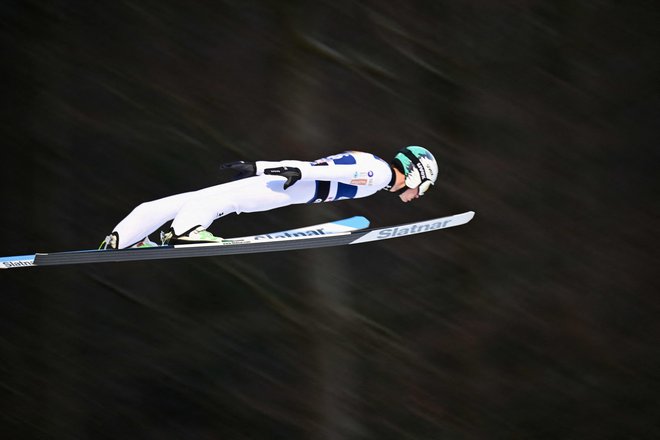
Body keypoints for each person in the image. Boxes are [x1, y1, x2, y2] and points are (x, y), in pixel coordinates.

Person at [100, 146, 439, 249]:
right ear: (414, 175)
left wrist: (263, 166)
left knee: (191, 199)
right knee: (221, 201)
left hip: (286, 184)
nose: (415, 196)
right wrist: (293, 173)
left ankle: (122, 238)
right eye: (420, 188)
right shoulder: (378, 173)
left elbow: (318, 167)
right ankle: (185, 234)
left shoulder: (374, 166)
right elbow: (328, 172)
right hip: (285, 190)